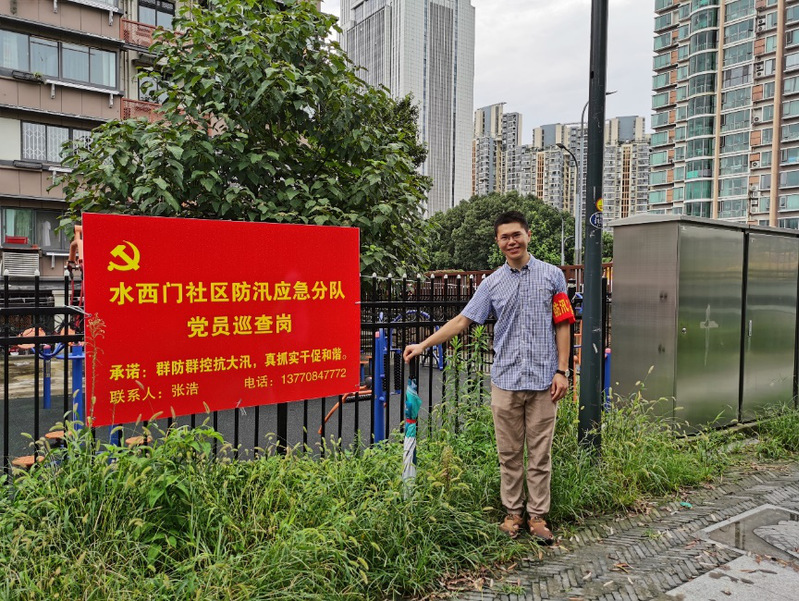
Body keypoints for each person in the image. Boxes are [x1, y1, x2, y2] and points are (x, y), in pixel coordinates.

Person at [403, 210, 574, 544]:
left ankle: (538, 516)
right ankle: (513, 513)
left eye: (516, 234)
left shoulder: (553, 276)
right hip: (505, 381)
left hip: (544, 381)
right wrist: (423, 344)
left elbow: (563, 323)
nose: (511, 241)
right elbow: (462, 321)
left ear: (528, 235)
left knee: (540, 455)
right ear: (497, 242)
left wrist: (562, 370)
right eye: (504, 237)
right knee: (509, 455)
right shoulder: (492, 283)